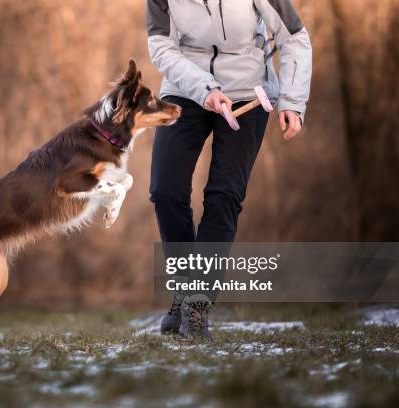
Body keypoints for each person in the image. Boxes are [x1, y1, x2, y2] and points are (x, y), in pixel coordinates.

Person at [146, 0, 312, 338]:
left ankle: (197, 303)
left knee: (224, 196)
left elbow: (293, 36)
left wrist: (293, 102)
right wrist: (205, 89)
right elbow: (160, 45)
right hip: (185, 90)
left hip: (248, 92)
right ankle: (183, 288)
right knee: (164, 189)